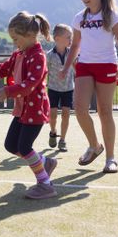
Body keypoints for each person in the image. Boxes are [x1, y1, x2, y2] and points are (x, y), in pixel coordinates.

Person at [0, 11, 57, 199]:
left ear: (31, 36)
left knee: (24, 147)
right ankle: (44, 162)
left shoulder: (38, 57)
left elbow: (30, 84)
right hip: (22, 109)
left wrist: (8, 90)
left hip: (35, 110)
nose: (15, 43)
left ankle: (45, 184)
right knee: (10, 145)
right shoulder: (19, 54)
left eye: (16, 39)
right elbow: (2, 69)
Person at [59, 0, 118, 174]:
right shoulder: (79, 18)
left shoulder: (112, 16)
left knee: (104, 111)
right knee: (80, 109)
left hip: (107, 65)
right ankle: (95, 146)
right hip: (85, 65)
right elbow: (75, 46)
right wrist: (66, 67)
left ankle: (110, 158)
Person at [46, 24, 74, 152]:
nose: (71, 40)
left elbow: (78, 68)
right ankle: (53, 132)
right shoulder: (49, 55)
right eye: (68, 37)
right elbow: (44, 72)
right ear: (57, 38)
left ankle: (62, 140)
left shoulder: (73, 54)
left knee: (66, 115)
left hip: (68, 89)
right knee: (53, 115)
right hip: (53, 89)